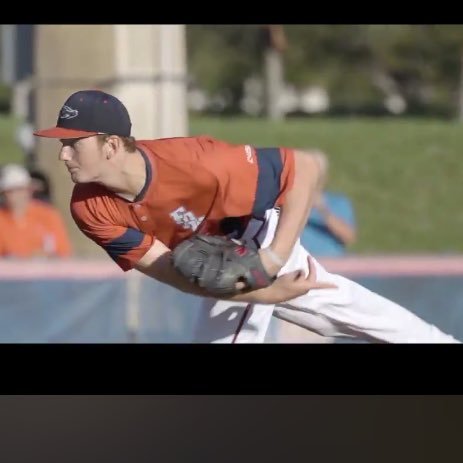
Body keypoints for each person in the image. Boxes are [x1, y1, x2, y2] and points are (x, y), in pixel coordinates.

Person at [33, 89, 459, 343]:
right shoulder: (87, 207)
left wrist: (270, 262)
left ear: (110, 146)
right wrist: (262, 293)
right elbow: (169, 269)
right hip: (222, 262)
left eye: (74, 143)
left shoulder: (199, 162)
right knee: (340, 308)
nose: (63, 153)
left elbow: (303, 168)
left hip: (256, 233)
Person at [0, 163, 72, 259]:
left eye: (20, 189)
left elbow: (63, 251)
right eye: (10, 191)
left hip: (47, 271)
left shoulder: (48, 215)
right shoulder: (2, 218)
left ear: (29, 190)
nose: (16, 195)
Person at [300, 151, 357, 257]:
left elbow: (349, 237)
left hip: (331, 265)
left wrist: (323, 210)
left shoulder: (338, 202)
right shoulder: (290, 202)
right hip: (300, 266)